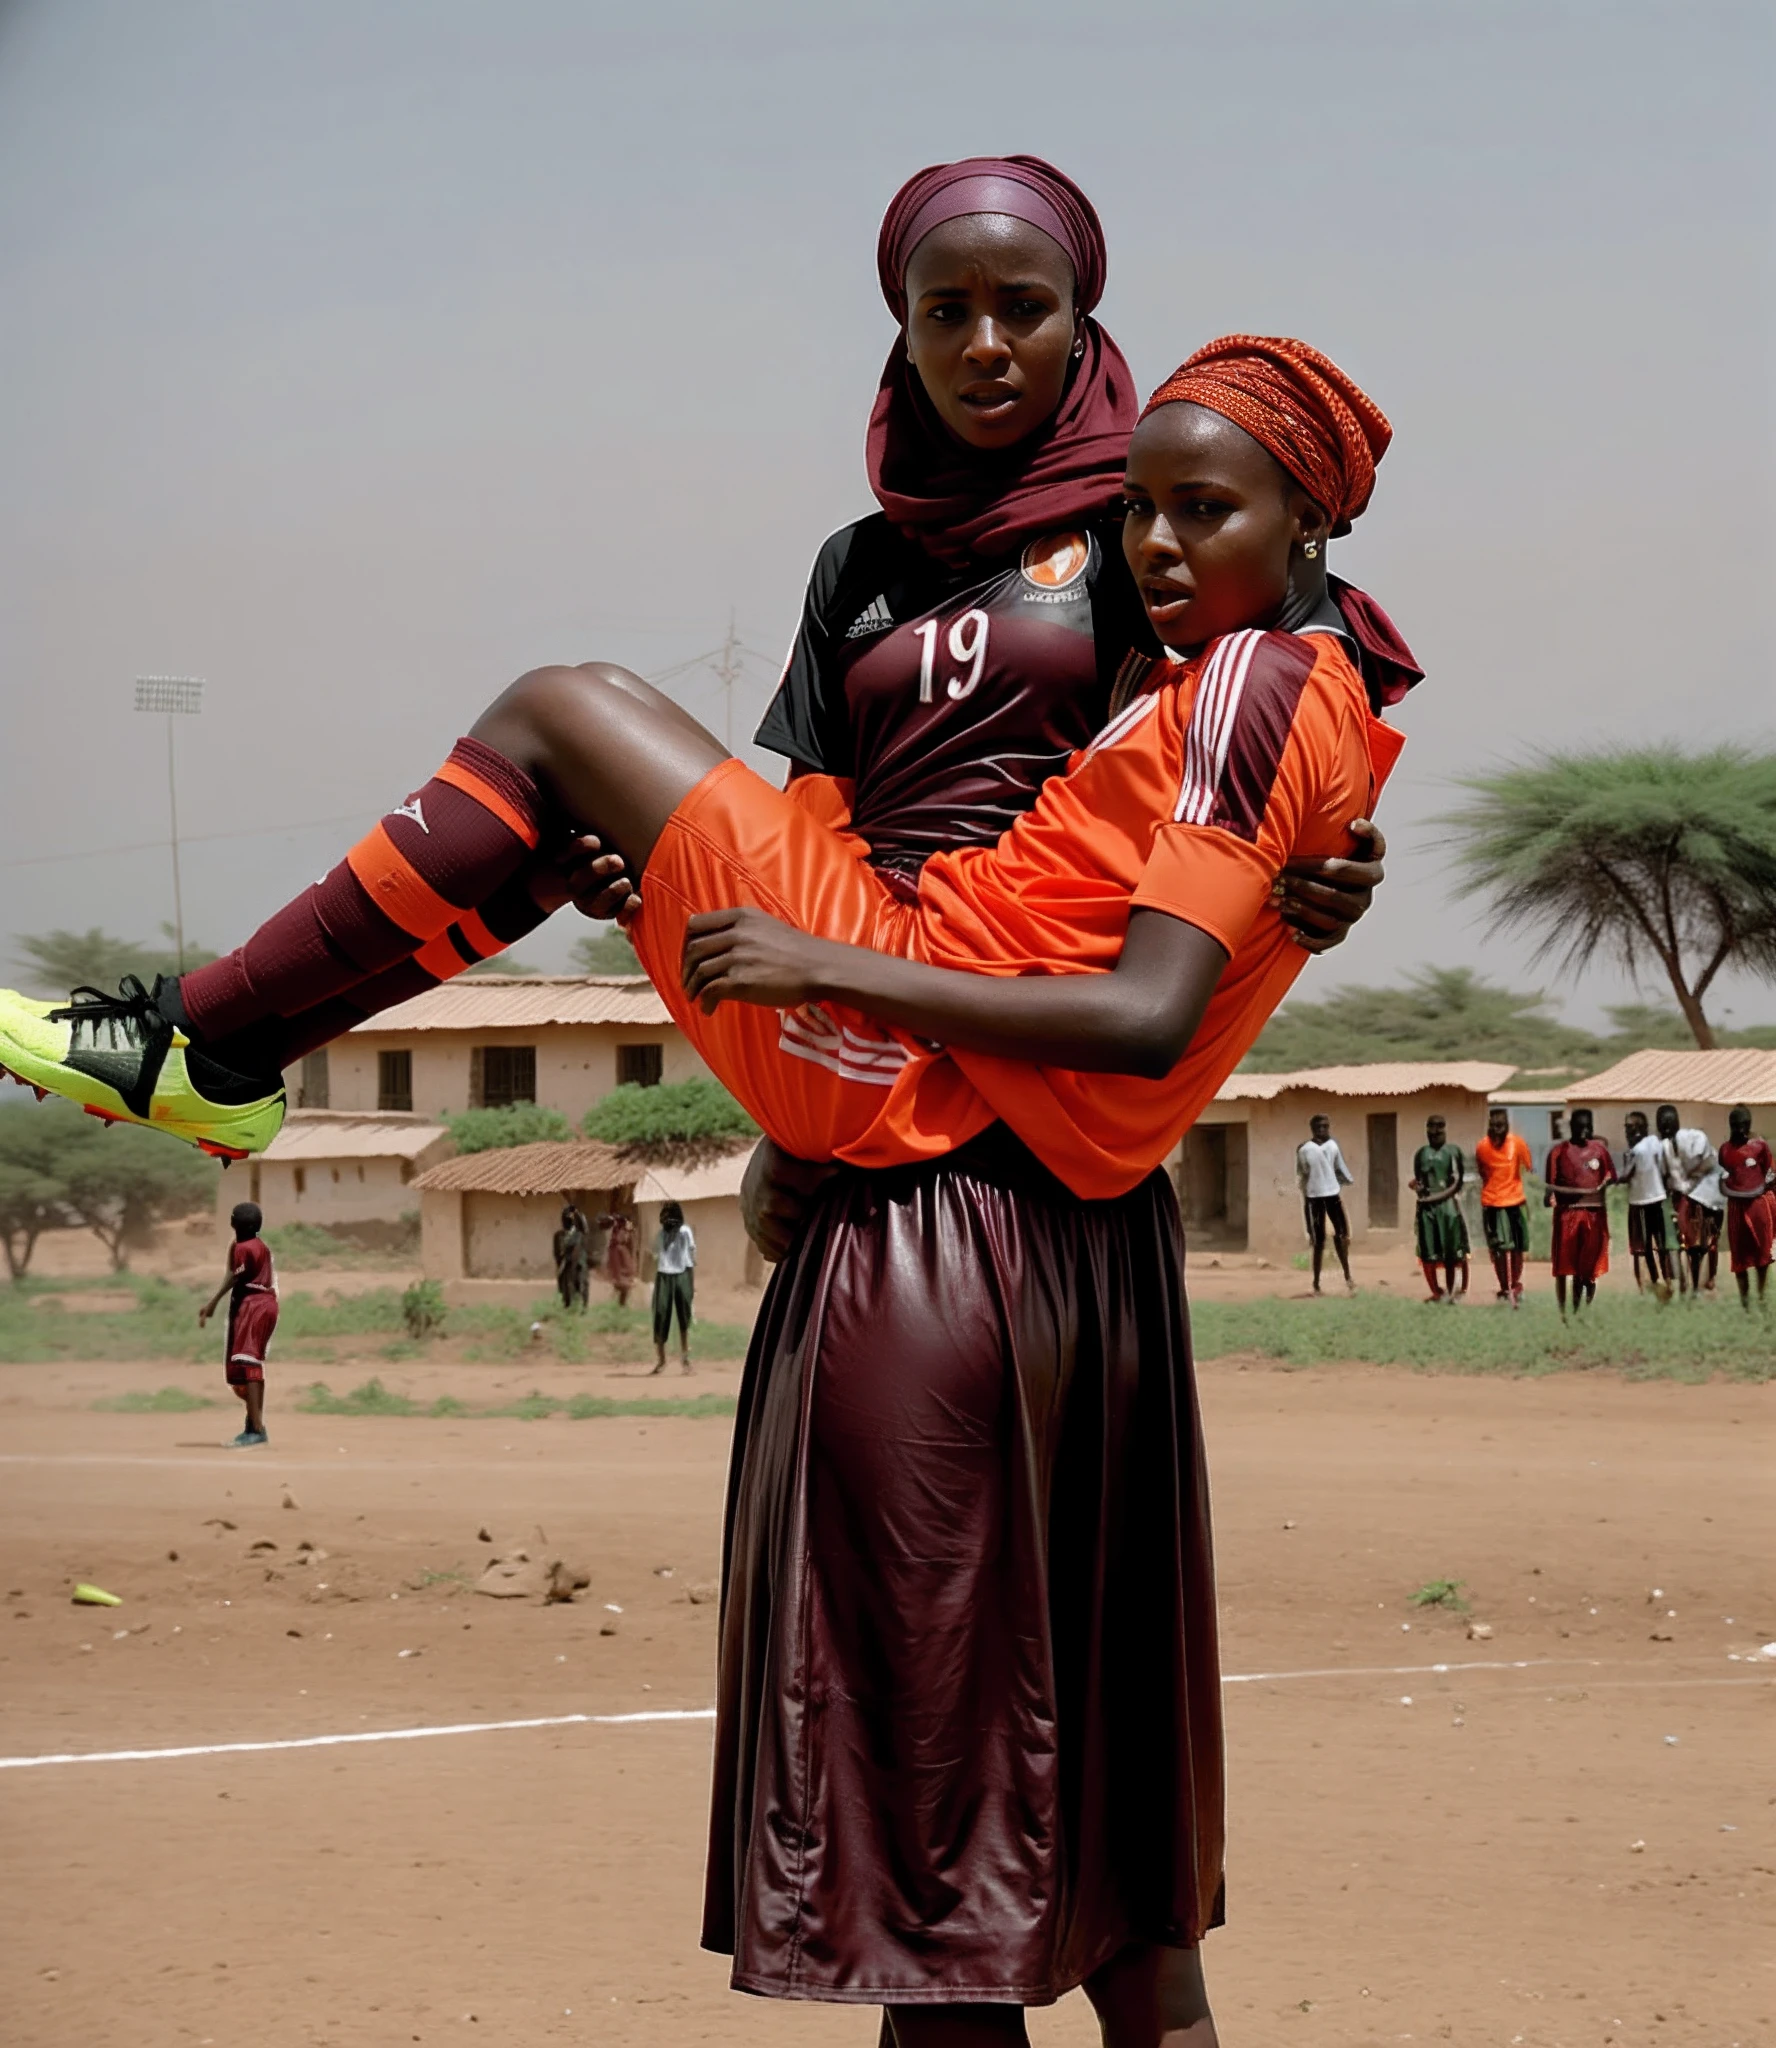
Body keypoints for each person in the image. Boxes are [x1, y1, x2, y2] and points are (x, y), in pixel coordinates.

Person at [0, 322, 1414, 2047]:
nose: (1160, 544)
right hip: (973, 1088)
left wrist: (830, 964)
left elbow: (1145, 997)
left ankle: (212, 1046)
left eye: (1206, 510)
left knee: (558, 708)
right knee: (1115, 1916)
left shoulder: (1239, 681)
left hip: (913, 1062)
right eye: (1141, 511)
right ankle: (240, 1033)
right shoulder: (1047, 616)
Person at [196, 1200, 278, 1446]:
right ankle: (253, 1421)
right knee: (241, 1371)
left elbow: (233, 1277)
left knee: (249, 1363)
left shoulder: (246, 1247)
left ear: (234, 1223)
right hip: (255, 1304)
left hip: (254, 1305)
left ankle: (256, 1428)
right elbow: (232, 1273)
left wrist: (211, 1304)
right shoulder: (249, 1246)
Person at [1544, 1108, 1615, 1317]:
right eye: (1579, 1126)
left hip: (1594, 1214)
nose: (1584, 1131)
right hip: (1568, 1215)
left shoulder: (1599, 1151)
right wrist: (1573, 1194)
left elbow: (1610, 1175)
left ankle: (1581, 1309)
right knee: (1565, 1267)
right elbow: (1551, 1185)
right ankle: (1564, 1311)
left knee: (1588, 1268)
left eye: (1588, 1127)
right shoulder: (1559, 1152)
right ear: (1572, 1127)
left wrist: (1603, 1184)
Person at [1657, 1103, 1724, 1296]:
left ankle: (1710, 1279)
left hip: (1709, 1190)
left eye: (1669, 1123)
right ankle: (1691, 1284)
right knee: (1689, 1242)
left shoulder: (1696, 1137)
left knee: (1711, 1239)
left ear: (1677, 1123)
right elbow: (1666, 1176)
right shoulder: (1664, 1147)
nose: (1665, 1127)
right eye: (1662, 1124)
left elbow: (1710, 1162)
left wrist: (1691, 1177)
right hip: (1685, 1195)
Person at [1718, 1104, 1776, 1311]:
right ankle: (1745, 1303)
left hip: (1757, 1205)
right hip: (1736, 1207)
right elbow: (1724, 1174)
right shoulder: (1725, 1149)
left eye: (1742, 1125)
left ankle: (1760, 1297)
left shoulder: (1759, 1146)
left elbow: (1770, 1172)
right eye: (1735, 1125)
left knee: (1762, 1253)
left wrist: (1764, 1189)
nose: (1739, 1129)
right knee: (1739, 1256)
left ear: (1748, 1125)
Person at [1473, 1105, 1532, 1305]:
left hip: (1515, 1202)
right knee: (1497, 1249)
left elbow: (1527, 1168)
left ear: (1507, 1125)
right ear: (1489, 1124)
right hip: (1491, 1203)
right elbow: (1483, 1173)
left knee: (1517, 1247)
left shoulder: (1518, 1144)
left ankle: (1515, 1284)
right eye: (1494, 1124)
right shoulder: (1482, 1146)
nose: (1498, 1128)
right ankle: (1504, 1287)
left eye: (1502, 1124)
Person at [1410, 1114, 1469, 1303]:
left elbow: (1458, 1182)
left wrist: (1438, 1197)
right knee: (1428, 1251)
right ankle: (1437, 1292)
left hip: (1448, 1206)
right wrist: (1418, 1190)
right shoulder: (1421, 1153)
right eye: (1431, 1127)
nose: (1435, 1131)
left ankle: (1453, 1292)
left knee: (1452, 1250)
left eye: (1439, 1127)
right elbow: (1419, 1181)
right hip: (1427, 1209)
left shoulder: (1453, 1152)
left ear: (1445, 1129)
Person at [1295, 1112, 1355, 1293]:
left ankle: (1347, 1276)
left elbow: (1340, 1167)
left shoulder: (1332, 1146)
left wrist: (1342, 1181)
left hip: (1332, 1196)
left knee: (1342, 1236)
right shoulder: (1305, 1150)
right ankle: (1316, 1283)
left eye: (1325, 1126)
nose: (1322, 1130)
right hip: (1314, 1199)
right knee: (1318, 1241)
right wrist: (1306, 1204)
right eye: (1318, 1127)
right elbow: (1303, 1175)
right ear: (1312, 1129)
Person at [1618, 1110, 1675, 1300]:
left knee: (1645, 1247)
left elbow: (1626, 1175)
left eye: (1628, 1128)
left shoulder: (1635, 1151)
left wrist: (1610, 1179)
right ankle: (1668, 1281)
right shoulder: (1655, 1143)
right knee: (1661, 1244)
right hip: (1658, 1199)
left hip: (1640, 1202)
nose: (1626, 1132)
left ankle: (1655, 1280)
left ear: (1637, 1130)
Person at [650, 1199, 696, 1371]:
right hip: (664, 1276)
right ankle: (661, 1360)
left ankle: (685, 1359)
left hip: (683, 1274)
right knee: (661, 1315)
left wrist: (691, 1282)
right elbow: (655, 1255)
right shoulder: (660, 1235)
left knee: (684, 1317)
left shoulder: (685, 1231)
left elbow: (691, 1253)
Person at [552, 1200, 591, 1312]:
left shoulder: (579, 1234)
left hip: (580, 1266)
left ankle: (582, 1309)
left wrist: (576, 1213)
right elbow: (557, 1253)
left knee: (581, 1287)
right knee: (567, 1290)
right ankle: (569, 1309)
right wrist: (563, 1261)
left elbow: (584, 1227)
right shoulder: (559, 1236)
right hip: (567, 1267)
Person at [597, 1207, 638, 1308]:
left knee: (623, 1285)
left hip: (618, 1253)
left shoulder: (621, 1243)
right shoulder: (618, 1243)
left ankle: (620, 1305)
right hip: (617, 1254)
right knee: (621, 1282)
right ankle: (620, 1305)